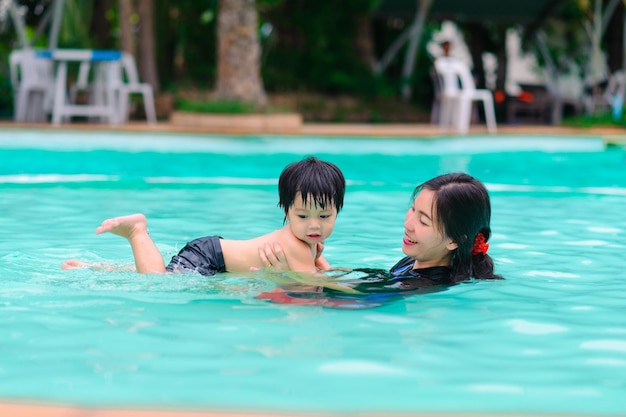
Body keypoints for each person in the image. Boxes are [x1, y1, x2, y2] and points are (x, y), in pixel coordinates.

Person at [62, 156, 345, 276]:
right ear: (286, 211)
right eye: (303, 215)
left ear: (337, 211)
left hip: (214, 254)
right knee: (158, 284)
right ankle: (137, 232)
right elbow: (313, 288)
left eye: (324, 215)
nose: (314, 225)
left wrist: (324, 265)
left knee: (160, 275)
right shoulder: (296, 246)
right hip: (210, 257)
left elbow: (322, 271)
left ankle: (93, 268)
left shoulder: (308, 244)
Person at [256, 172, 502, 307]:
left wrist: (285, 278)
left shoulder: (419, 284)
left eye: (423, 221)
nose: (408, 224)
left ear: (454, 241)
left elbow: (325, 304)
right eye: (412, 209)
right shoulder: (418, 260)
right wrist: (320, 267)